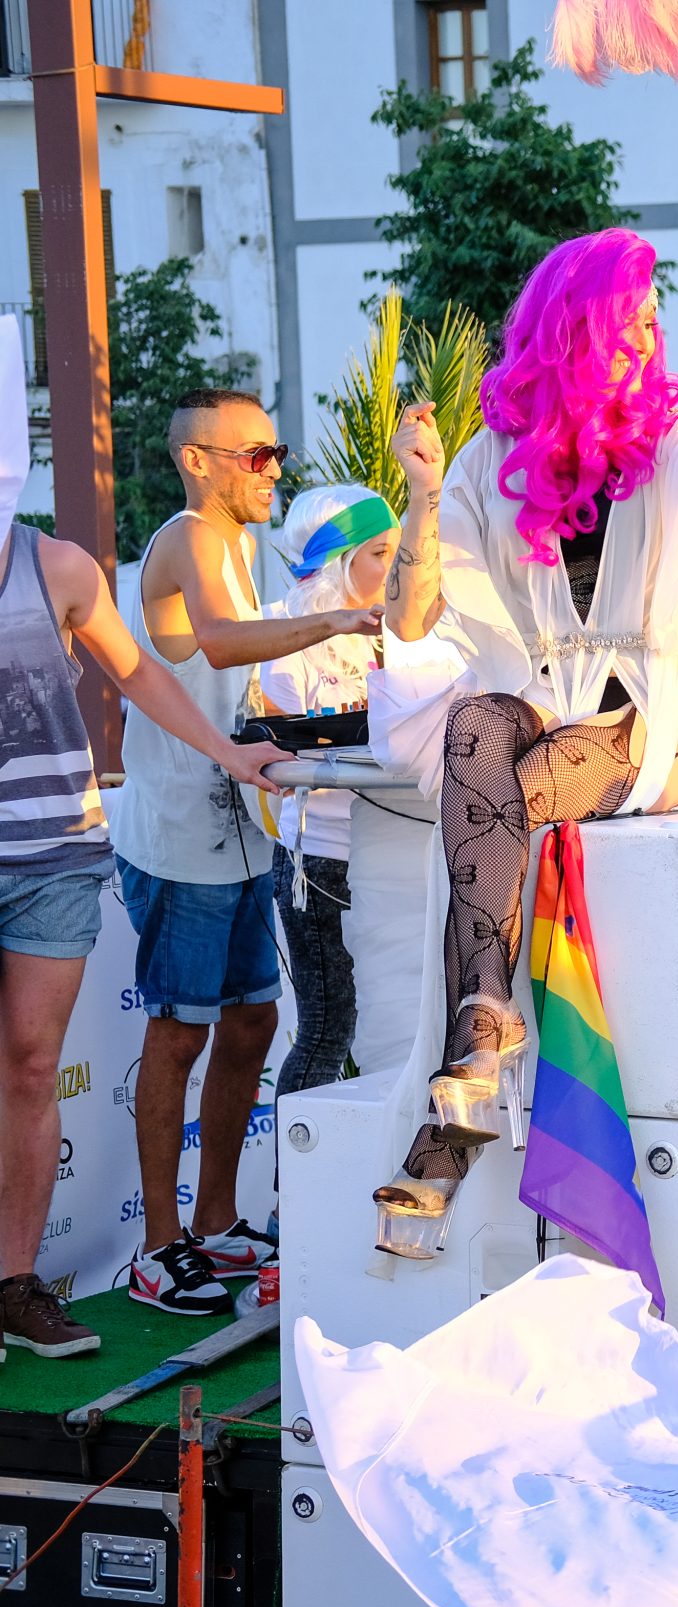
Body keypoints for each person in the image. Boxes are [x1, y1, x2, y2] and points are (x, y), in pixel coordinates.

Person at [369, 229, 678, 1213]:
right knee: (471, 732)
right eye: (623, 319)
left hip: (649, 717)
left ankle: (459, 1095)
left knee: (506, 795)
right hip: (537, 696)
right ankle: (485, 1024)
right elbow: (413, 618)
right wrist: (419, 495)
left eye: (647, 321)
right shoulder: (491, 456)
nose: (641, 336)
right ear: (570, 331)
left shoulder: (667, 443)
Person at [0, 493, 290, 1351]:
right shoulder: (167, 545)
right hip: (135, 847)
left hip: (53, 854)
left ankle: (16, 1285)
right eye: (255, 455)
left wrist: (230, 752)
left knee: (30, 1067)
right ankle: (149, 1249)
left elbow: (137, 673)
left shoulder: (57, 566)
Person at [118, 389, 378, 1314]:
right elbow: (224, 648)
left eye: (275, 452)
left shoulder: (233, 544)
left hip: (237, 831)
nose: (275, 468)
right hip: (179, 834)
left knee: (255, 1027)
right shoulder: (191, 533)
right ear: (200, 462)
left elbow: (240, 681)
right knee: (182, 1032)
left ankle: (218, 1221)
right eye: (256, 455)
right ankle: (158, 1249)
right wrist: (338, 620)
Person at [257, 485, 399, 1099]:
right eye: (379, 553)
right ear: (338, 559)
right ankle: (297, 1192)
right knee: (326, 1030)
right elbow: (282, 738)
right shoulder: (281, 634)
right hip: (320, 858)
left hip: (394, 849)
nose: (394, 569)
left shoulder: (401, 632)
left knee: (390, 1024)